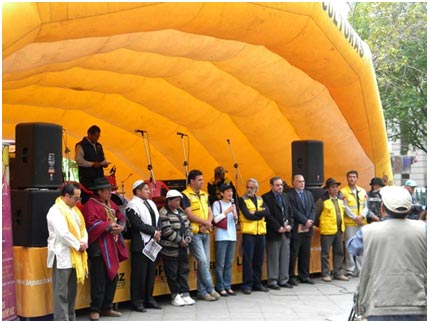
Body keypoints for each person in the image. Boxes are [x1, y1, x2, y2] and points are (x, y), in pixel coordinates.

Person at [347, 186, 427, 321]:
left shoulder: (368, 231)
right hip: (417, 302)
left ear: (382, 209)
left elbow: (352, 247)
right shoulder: (423, 229)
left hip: (379, 303)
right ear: (408, 209)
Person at [82, 177, 128, 321]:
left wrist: (121, 226)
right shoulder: (91, 205)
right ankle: (95, 309)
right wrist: (108, 227)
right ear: (99, 191)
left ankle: (107, 307)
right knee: (99, 280)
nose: (110, 192)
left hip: (112, 245)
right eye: (107, 190)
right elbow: (90, 225)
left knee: (112, 277)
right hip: (98, 248)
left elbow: (121, 216)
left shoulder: (111, 203)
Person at [47, 183, 88, 321]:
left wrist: (84, 241)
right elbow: (62, 234)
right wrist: (78, 245)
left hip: (75, 256)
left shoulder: (75, 211)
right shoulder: (55, 211)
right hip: (62, 256)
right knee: (61, 294)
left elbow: (82, 229)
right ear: (66, 196)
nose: (78, 201)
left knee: (71, 293)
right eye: (76, 198)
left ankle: (71, 318)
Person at [181, 169, 220, 301]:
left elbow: (210, 211)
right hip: (195, 232)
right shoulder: (185, 195)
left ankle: (202, 291)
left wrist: (208, 223)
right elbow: (189, 214)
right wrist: (205, 223)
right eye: (199, 180)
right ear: (191, 181)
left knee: (205, 262)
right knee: (202, 261)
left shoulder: (204, 195)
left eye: (202, 180)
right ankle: (210, 288)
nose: (202, 182)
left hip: (205, 232)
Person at [126, 180, 162, 312]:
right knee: (139, 274)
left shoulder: (151, 203)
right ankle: (137, 301)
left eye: (149, 189)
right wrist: (154, 232)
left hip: (153, 241)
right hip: (141, 243)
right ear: (138, 191)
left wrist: (157, 231)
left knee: (150, 272)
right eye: (146, 189)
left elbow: (158, 220)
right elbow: (137, 224)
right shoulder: (132, 205)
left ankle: (149, 298)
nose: (149, 191)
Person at [158, 189, 195, 307]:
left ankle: (185, 292)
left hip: (183, 249)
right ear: (169, 201)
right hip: (170, 249)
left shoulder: (181, 211)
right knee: (172, 273)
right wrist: (180, 241)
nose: (178, 203)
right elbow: (166, 230)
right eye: (175, 200)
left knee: (184, 271)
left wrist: (188, 238)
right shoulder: (163, 213)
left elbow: (189, 226)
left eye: (179, 200)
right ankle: (175, 294)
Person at [238, 178, 270, 295]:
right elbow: (247, 215)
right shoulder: (242, 200)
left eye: (251, 187)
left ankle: (258, 283)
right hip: (249, 233)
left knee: (259, 260)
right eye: (247, 187)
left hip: (260, 233)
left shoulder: (260, 199)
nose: (249, 190)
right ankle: (247, 284)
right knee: (248, 260)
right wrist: (260, 214)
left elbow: (267, 212)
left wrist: (256, 213)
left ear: (256, 189)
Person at [262, 176, 293, 290]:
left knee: (285, 256)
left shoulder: (285, 196)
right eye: (277, 185)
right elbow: (268, 215)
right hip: (274, 232)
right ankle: (273, 280)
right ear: (271, 186)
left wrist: (290, 225)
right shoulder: (266, 198)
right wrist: (278, 227)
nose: (280, 187)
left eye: (281, 185)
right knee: (273, 257)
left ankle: (284, 279)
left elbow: (290, 211)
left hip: (286, 230)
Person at [315, 178, 348, 282]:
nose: (335, 189)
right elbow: (316, 214)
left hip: (338, 229)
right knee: (325, 253)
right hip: (327, 230)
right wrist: (321, 225)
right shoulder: (322, 200)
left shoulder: (340, 200)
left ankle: (338, 272)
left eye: (336, 187)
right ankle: (325, 273)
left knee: (339, 252)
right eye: (333, 187)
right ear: (328, 189)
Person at [286, 174, 316, 285]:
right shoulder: (289, 195)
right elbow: (293, 210)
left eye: (303, 181)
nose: (302, 183)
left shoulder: (309, 194)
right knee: (294, 253)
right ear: (293, 183)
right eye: (299, 181)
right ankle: (291, 276)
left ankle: (304, 275)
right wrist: (304, 221)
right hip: (296, 228)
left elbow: (313, 208)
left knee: (305, 253)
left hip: (307, 228)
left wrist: (310, 221)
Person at [340, 170, 368, 278]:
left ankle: (360, 269)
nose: (352, 179)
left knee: (361, 245)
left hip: (362, 222)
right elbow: (345, 207)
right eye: (350, 177)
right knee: (350, 246)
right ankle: (350, 269)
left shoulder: (363, 191)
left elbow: (366, 206)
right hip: (350, 223)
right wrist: (355, 217)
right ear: (347, 179)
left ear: (357, 178)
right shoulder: (343, 192)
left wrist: (362, 216)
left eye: (354, 177)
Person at [212, 183, 238, 296]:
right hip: (222, 237)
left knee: (229, 263)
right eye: (227, 191)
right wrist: (227, 212)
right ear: (222, 193)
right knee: (220, 263)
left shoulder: (233, 205)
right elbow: (216, 220)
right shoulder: (217, 204)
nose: (230, 193)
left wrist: (235, 217)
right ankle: (220, 286)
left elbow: (235, 222)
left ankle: (228, 285)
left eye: (231, 191)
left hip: (232, 236)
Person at [75, 125, 109, 203]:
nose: (97, 138)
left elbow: (102, 157)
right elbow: (79, 161)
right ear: (89, 134)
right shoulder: (81, 145)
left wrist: (104, 163)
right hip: (87, 178)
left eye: (98, 136)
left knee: (99, 198)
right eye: (95, 136)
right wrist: (92, 164)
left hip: (99, 177)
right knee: (88, 198)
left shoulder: (99, 145)